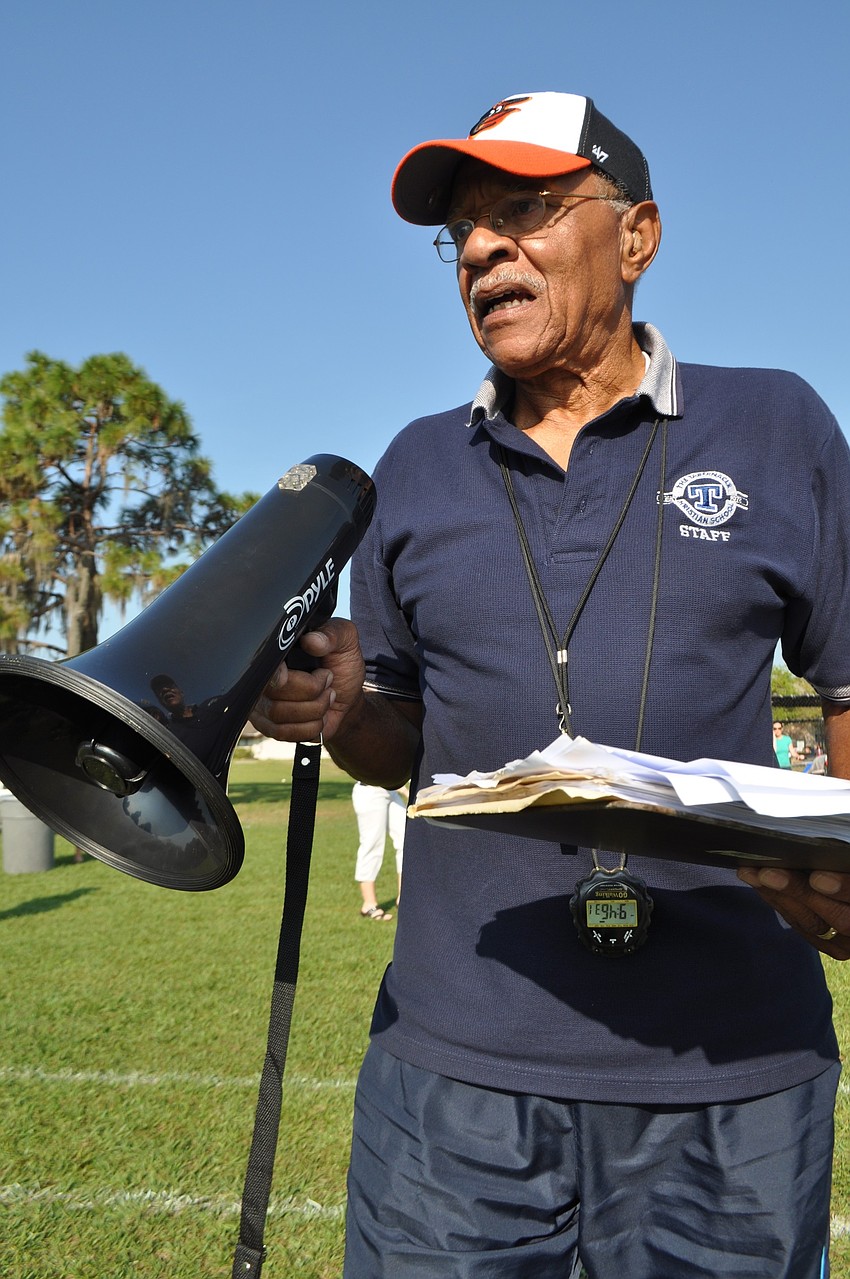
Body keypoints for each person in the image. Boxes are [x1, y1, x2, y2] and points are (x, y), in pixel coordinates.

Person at [252, 91, 850, 1278]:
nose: (481, 249)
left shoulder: (775, 422)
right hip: (454, 1079)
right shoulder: (416, 465)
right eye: (463, 229)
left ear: (637, 236)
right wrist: (346, 708)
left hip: (727, 1073)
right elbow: (397, 735)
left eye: (524, 209)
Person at [351, 781, 406, 920]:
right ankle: (369, 905)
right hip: (370, 791)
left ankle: (403, 899)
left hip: (391, 790)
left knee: (406, 841)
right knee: (372, 845)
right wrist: (404, 790)